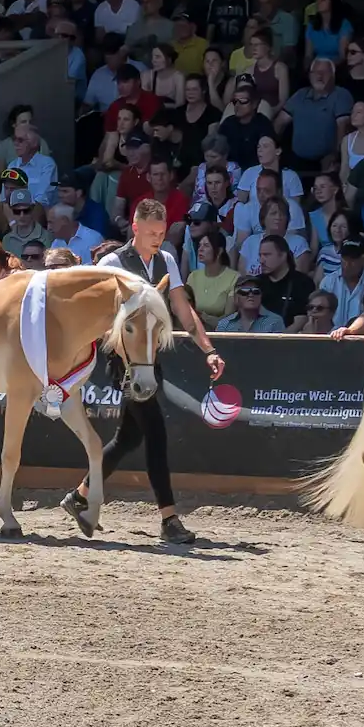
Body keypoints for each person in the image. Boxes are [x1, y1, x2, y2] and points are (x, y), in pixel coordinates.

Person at [70, 196, 224, 545]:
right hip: (123, 364)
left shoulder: (166, 260)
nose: (158, 238)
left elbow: (184, 312)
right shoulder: (112, 263)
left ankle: (79, 496)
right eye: (151, 232)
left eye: (162, 232)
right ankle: (169, 518)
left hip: (151, 361)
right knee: (155, 433)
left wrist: (209, 350)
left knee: (128, 438)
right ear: (135, 228)